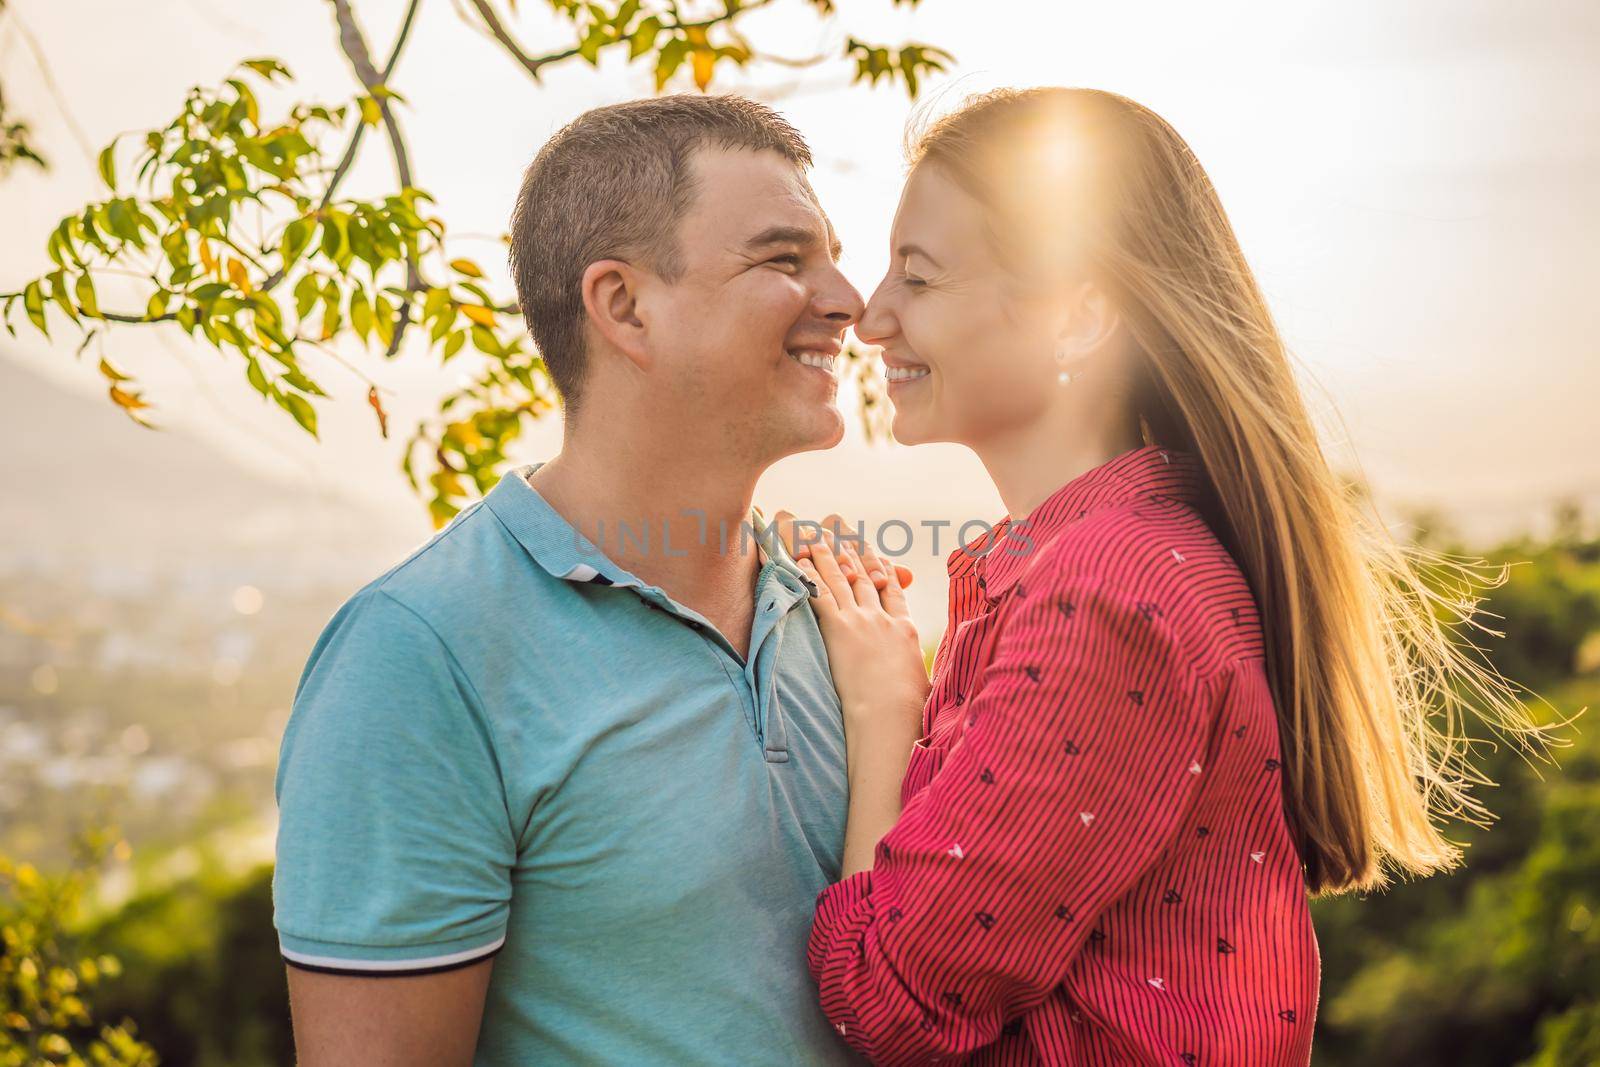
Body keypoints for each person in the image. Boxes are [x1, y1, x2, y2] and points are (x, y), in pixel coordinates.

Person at [783, 87, 1539, 1065]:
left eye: (918, 278)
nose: (873, 316)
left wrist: (882, 709)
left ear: (1079, 316)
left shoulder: (1105, 595)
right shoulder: (1115, 560)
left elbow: (891, 999)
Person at [271, 94, 902, 1065]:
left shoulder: (842, 613)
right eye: (783, 259)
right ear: (624, 306)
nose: (847, 298)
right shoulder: (418, 654)